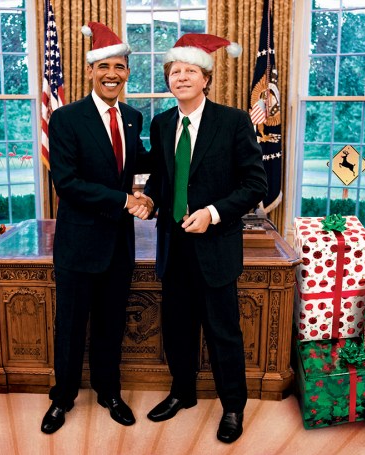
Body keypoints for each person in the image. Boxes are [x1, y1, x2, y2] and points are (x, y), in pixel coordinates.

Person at [143, 33, 268, 443]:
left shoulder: (233, 122)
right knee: (177, 328)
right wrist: (149, 199)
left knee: (222, 332)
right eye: (174, 71)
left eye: (190, 71)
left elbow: (255, 184)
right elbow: (162, 178)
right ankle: (183, 392)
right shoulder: (162, 124)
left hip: (215, 246)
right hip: (173, 245)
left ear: (206, 79)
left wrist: (212, 213)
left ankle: (233, 406)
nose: (181, 77)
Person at [41, 22, 152, 434]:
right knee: (70, 326)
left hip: (118, 244)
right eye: (104, 66)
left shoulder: (134, 117)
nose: (111, 74)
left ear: (127, 73)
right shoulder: (66, 118)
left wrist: (180, 153)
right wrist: (126, 200)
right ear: (90, 71)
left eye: (119, 67)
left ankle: (110, 392)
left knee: (111, 323)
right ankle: (62, 398)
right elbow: (67, 183)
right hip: (78, 243)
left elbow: (139, 162)